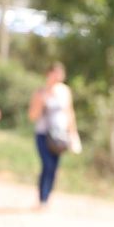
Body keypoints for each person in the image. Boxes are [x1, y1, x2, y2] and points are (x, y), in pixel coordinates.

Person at [28, 61, 77, 208]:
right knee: (47, 165)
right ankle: (42, 197)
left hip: (60, 136)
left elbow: (70, 113)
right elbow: (32, 116)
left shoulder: (65, 91)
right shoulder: (40, 92)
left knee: (54, 167)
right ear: (48, 74)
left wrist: (73, 133)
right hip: (43, 134)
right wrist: (42, 101)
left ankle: (47, 198)